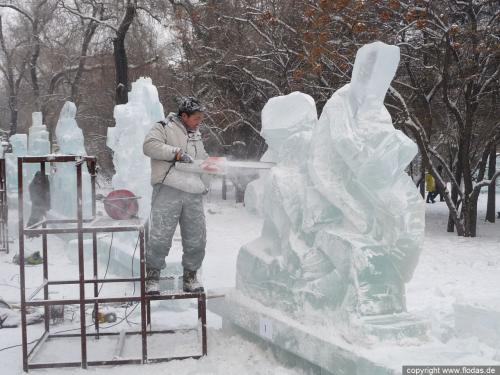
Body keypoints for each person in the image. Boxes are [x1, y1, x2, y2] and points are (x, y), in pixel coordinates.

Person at [143, 97, 209, 295]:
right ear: (184, 115)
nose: (199, 122)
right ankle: (152, 277)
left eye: (201, 118)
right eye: (196, 118)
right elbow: (149, 146)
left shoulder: (196, 134)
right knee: (160, 236)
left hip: (193, 192)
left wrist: (210, 168)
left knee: (197, 237)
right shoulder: (163, 127)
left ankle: (191, 276)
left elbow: (201, 159)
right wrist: (176, 153)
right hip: (168, 189)